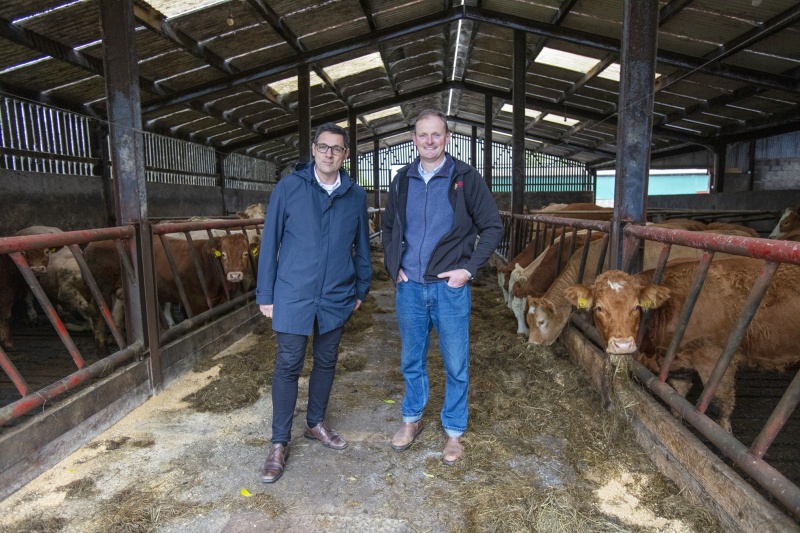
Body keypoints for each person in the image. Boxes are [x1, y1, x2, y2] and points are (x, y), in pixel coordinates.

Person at [381, 109, 503, 466]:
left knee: (455, 361)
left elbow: (493, 227)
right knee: (411, 359)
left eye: (436, 135)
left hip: (450, 287)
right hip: (410, 288)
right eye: (423, 135)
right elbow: (388, 227)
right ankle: (411, 419)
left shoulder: (465, 177)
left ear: (447, 138)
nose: (429, 141)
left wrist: (467, 269)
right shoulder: (402, 178)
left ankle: (453, 432)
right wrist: (394, 267)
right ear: (413, 139)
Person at [255, 123, 372, 483]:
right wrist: (266, 293)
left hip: (337, 294)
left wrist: (361, 290)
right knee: (288, 363)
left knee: (326, 360)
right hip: (293, 292)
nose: (329, 154)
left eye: (336, 149)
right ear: (313, 149)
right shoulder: (290, 187)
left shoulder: (355, 195)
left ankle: (315, 423)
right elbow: (270, 241)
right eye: (323, 147)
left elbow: (362, 247)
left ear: (346, 154)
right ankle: (278, 443)